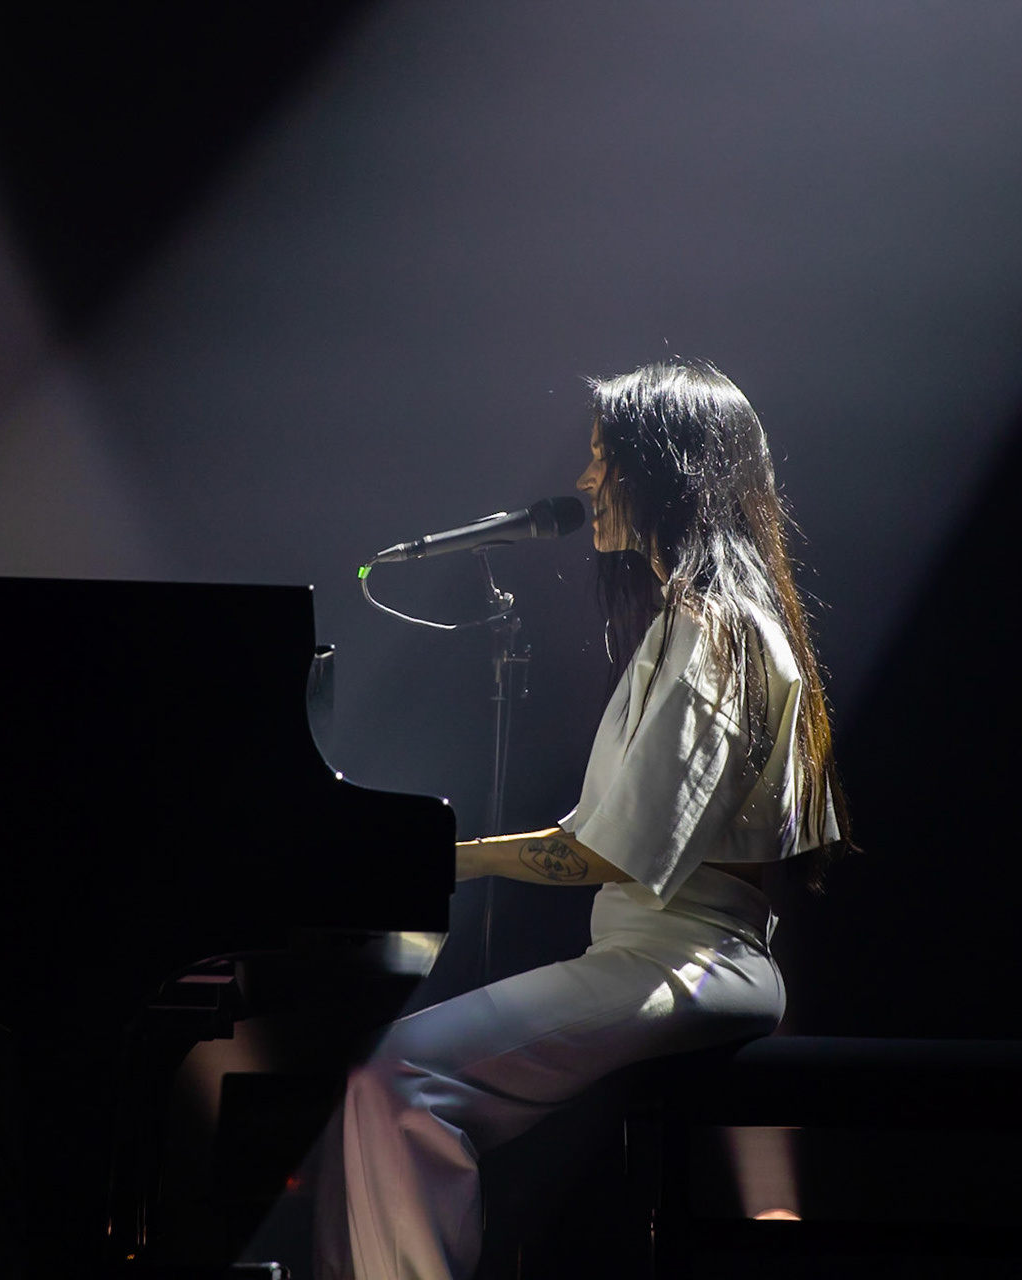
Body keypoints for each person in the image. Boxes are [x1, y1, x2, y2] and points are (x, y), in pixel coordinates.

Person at [313, 359, 850, 1280]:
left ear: (669, 469)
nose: (584, 479)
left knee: (399, 1076)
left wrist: (450, 858)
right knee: (385, 1079)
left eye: (606, 457)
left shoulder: (715, 626)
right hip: (659, 954)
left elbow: (612, 849)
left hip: (690, 962)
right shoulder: (696, 622)